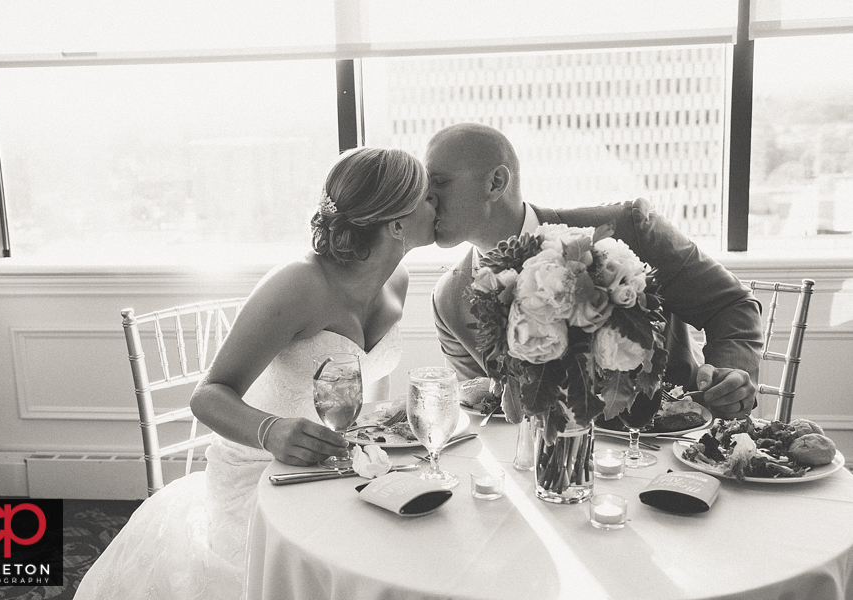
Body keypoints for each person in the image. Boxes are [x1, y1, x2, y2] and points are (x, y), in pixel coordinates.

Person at [74, 147, 436, 600]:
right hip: (261, 474)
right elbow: (207, 395)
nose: (437, 206)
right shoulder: (298, 285)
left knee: (416, 537)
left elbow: (365, 384)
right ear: (397, 224)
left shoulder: (397, 278)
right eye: (428, 198)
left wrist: (383, 424)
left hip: (339, 464)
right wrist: (271, 432)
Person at [427, 122, 763, 420]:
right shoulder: (448, 300)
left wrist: (728, 374)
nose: (426, 198)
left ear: (495, 182)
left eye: (439, 183)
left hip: (664, 444)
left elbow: (731, 305)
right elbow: (484, 413)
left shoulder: (627, 230)